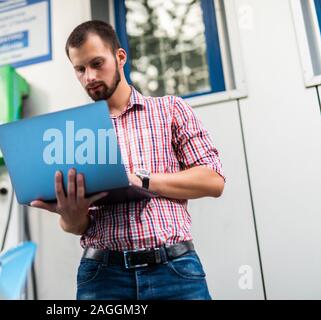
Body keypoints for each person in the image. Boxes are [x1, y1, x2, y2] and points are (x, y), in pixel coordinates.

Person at [30, 20, 226, 300]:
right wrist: (70, 216)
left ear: (120, 57)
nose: (90, 77)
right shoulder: (73, 131)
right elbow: (76, 227)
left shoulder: (170, 109)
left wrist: (141, 180)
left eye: (97, 63)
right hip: (103, 276)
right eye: (80, 69)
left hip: (174, 271)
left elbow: (213, 180)